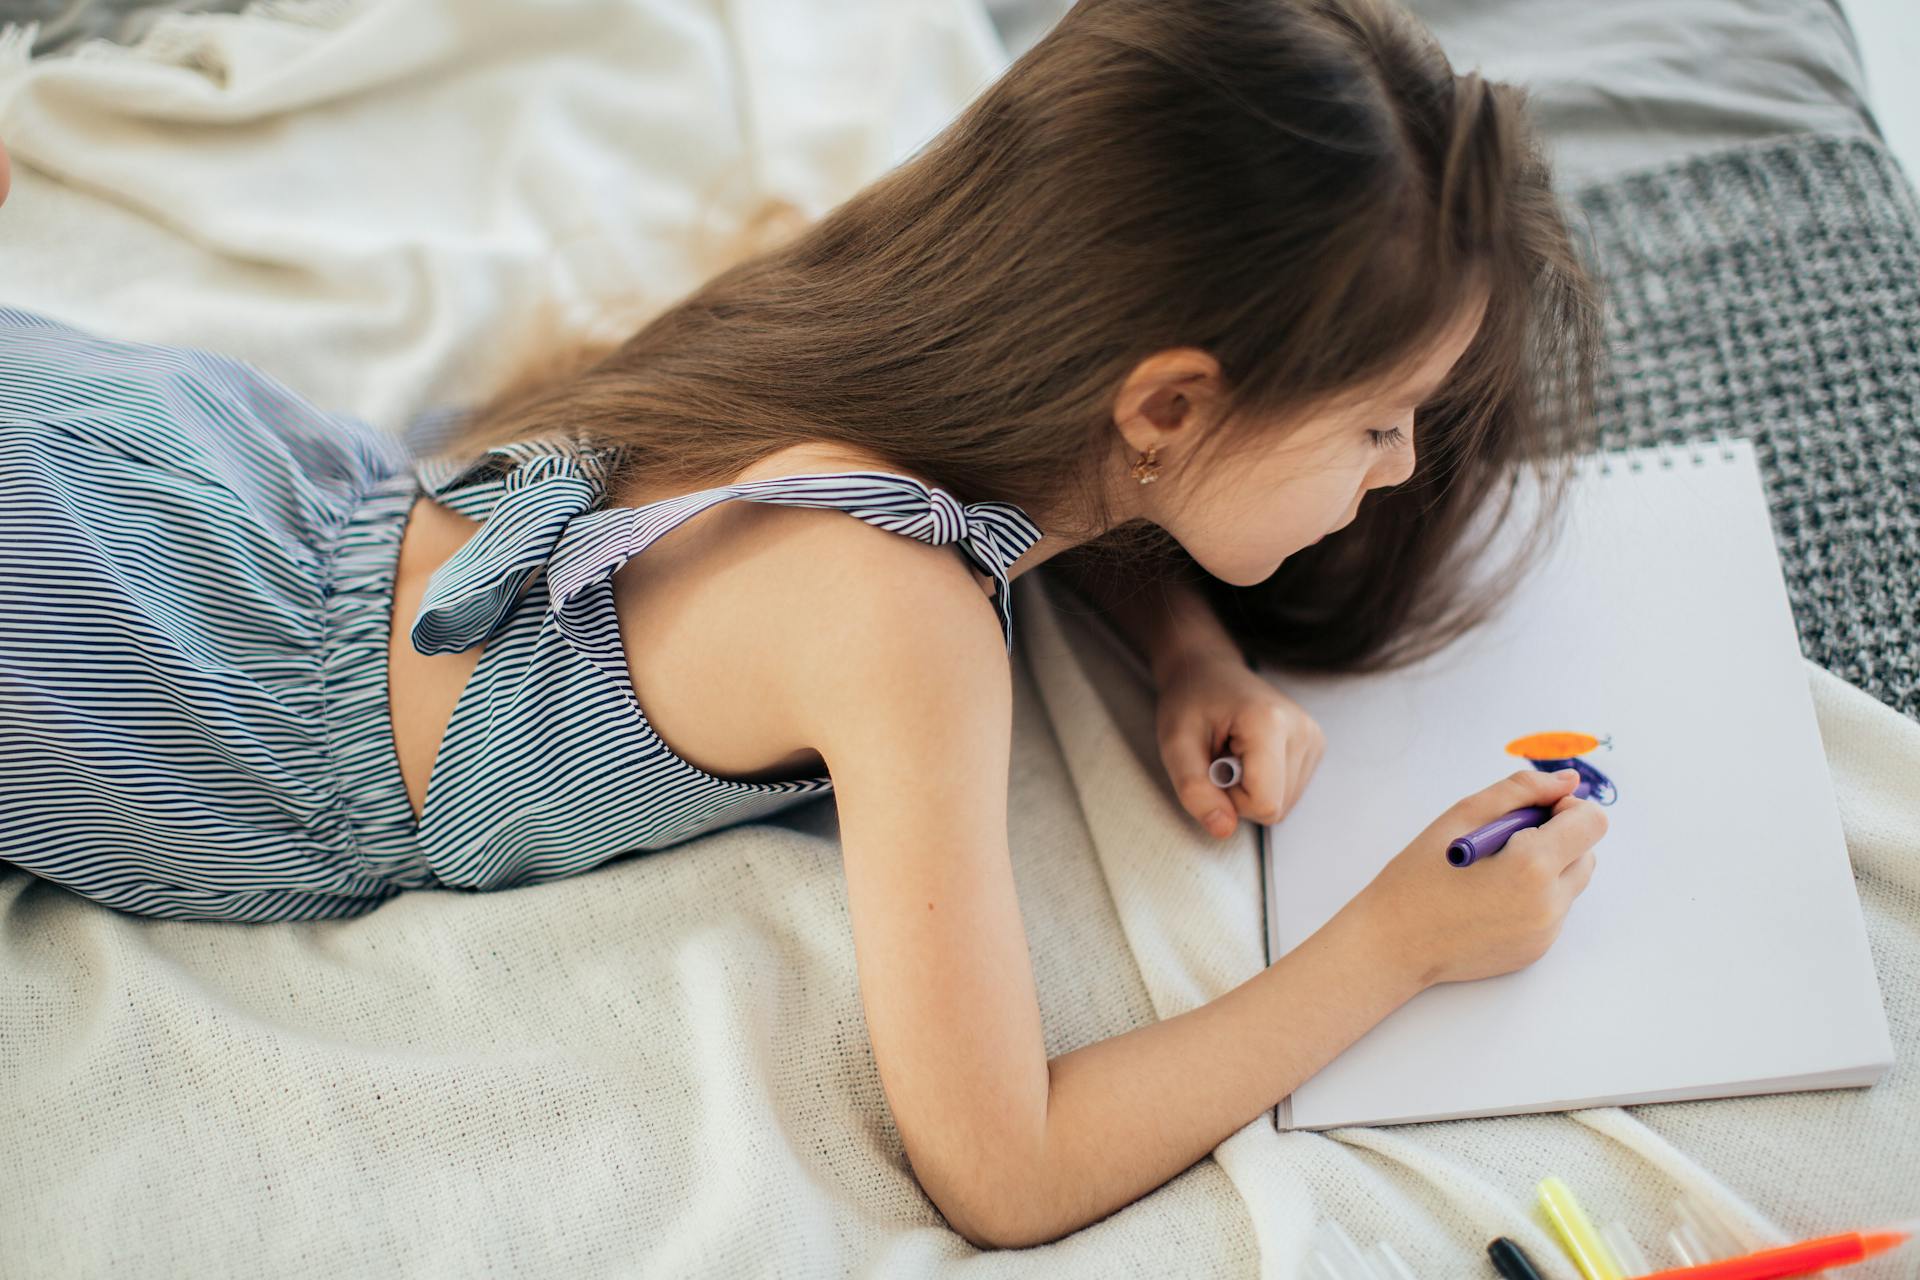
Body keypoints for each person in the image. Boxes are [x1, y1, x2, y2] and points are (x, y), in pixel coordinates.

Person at [0, 0, 1612, 1249]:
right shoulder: (902, 624)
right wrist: (1398, 945)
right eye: (1381, 422)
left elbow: (1105, 493)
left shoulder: (901, 345)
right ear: (1171, 400)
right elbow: (1005, 1166)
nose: (1404, 466)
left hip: (218, 504)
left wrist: (1187, 650)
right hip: (159, 673)